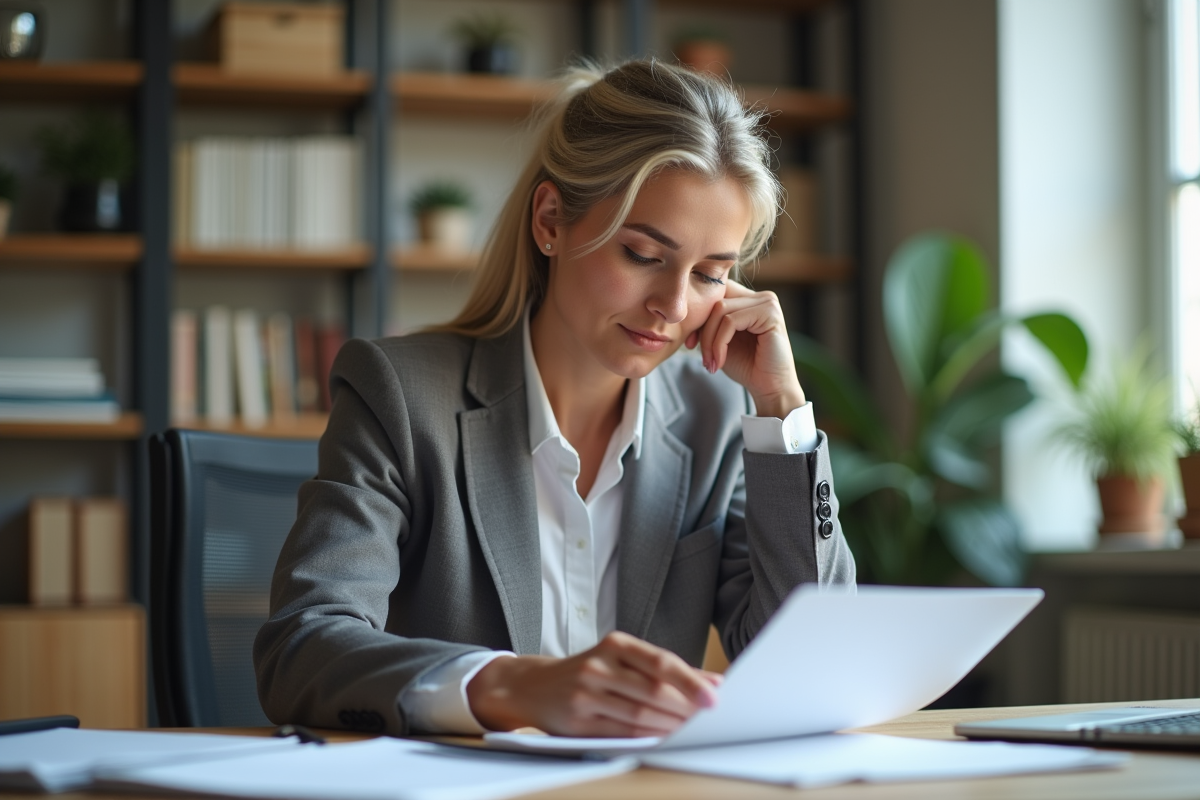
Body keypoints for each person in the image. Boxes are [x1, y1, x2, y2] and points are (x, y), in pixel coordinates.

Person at [253, 59, 856, 740]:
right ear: (550, 221)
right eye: (642, 254)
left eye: (712, 274)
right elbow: (301, 650)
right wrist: (514, 685)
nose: (674, 305)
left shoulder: (718, 417)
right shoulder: (400, 395)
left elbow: (812, 666)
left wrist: (781, 411)